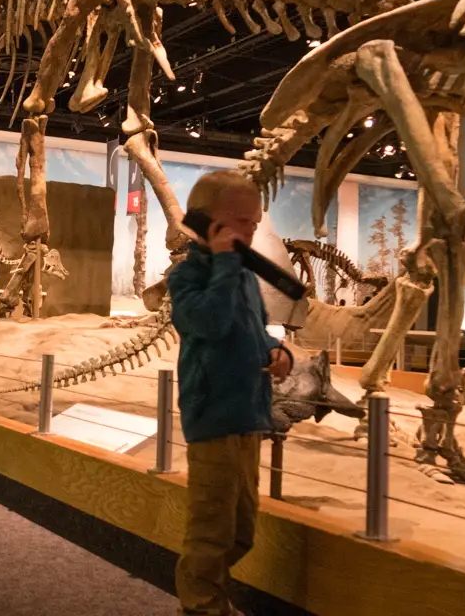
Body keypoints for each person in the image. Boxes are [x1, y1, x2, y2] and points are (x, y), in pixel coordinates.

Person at [168, 170, 294, 616]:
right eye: (238, 221)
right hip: (213, 420)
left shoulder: (240, 277)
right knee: (210, 532)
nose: (249, 231)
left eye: (254, 224)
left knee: (241, 532)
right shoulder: (186, 279)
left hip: (248, 416)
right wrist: (224, 262)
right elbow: (210, 323)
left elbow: (251, 331)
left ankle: (212, 598)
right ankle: (200, 606)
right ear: (204, 222)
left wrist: (279, 352)